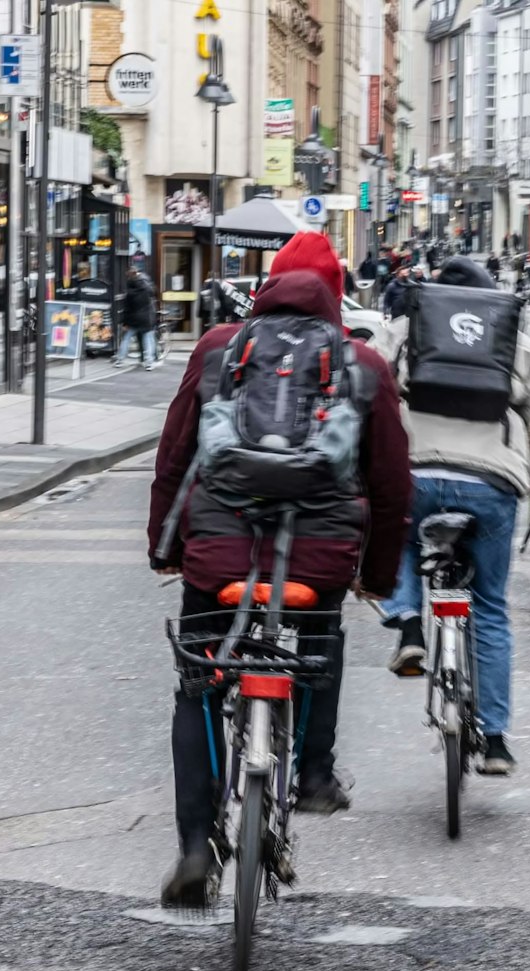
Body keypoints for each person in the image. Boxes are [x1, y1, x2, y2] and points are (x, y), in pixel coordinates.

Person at [147, 232, 411, 909]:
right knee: (319, 643)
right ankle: (315, 773)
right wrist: (377, 575)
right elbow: (389, 484)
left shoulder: (217, 349)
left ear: (265, 287)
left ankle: (194, 846)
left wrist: (166, 546)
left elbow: (176, 455)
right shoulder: (362, 364)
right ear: (335, 292)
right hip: (318, 558)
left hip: (219, 549)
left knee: (199, 682)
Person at [375, 257, 530, 776]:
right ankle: (498, 740)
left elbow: (368, 392)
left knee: (400, 536)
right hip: (490, 482)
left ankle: (411, 626)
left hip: (415, 475)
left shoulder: (404, 330)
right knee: (488, 607)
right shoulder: (514, 341)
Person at [116, 265, 160, 370]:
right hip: (146, 318)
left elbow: (126, 308)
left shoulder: (129, 292)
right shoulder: (146, 288)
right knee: (148, 340)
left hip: (133, 319)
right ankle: (149, 363)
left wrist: (124, 322)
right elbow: (153, 293)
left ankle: (120, 360)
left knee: (126, 339)